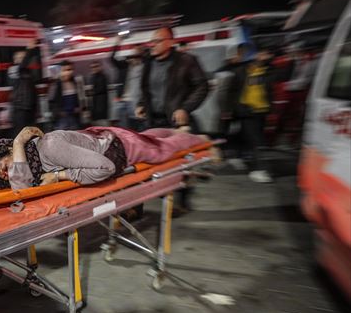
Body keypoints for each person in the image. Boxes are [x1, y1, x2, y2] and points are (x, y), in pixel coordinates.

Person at [0, 126, 209, 190]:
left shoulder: (48, 148)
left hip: (120, 148)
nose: (7, 174)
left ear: (13, 151)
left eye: (5, 165)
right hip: (104, 138)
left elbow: (105, 167)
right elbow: (21, 188)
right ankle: (176, 131)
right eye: (1, 174)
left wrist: (60, 176)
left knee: (161, 151)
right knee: (151, 137)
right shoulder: (34, 163)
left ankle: (198, 139)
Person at [135, 27, 209, 213]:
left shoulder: (186, 61)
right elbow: (146, 90)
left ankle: (182, 199)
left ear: (170, 42)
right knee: (147, 161)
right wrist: (142, 104)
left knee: (181, 162)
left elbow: (202, 86)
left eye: (157, 41)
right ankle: (139, 205)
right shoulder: (148, 63)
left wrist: (186, 108)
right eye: (151, 41)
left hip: (176, 122)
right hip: (154, 122)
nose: (152, 45)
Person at [227, 46, 277, 183]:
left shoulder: (270, 71)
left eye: (268, 54)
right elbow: (231, 91)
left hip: (262, 111)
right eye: (263, 53)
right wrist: (229, 109)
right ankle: (261, 170)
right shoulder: (241, 70)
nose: (266, 56)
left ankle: (236, 155)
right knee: (257, 141)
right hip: (245, 110)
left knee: (244, 134)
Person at [109, 37, 145, 130]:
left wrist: (141, 52)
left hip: (135, 101)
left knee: (137, 126)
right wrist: (117, 44)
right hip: (122, 101)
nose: (134, 57)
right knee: (125, 128)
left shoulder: (144, 66)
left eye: (136, 54)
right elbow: (111, 59)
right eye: (133, 54)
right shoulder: (124, 66)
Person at [11, 39, 41, 135]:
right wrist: (29, 50)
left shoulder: (27, 73)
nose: (23, 59)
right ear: (15, 60)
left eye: (23, 57)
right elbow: (22, 66)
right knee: (21, 135)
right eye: (20, 58)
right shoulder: (15, 70)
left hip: (29, 108)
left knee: (31, 135)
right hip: (21, 109)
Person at [49, 60, 87, 130]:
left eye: (70, 69)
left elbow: (81, 98)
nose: (68, 72)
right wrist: (58, 112)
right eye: (65, 70)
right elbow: (51, 101)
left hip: (75, 118)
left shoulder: (76, 82)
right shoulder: (56, 84)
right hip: (62, 120)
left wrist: (81, 108)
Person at [89, 61, 109, 126]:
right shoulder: (93, 77)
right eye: (92, 67)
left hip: (101, 108)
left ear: (100, 67)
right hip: (95, 108)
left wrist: (92, 92)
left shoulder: (102, 77)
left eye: (96, 66)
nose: (94, 68)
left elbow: (100, 89)